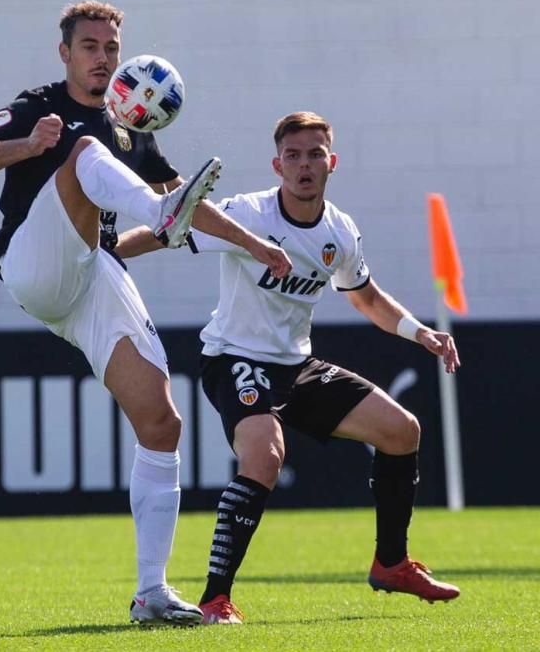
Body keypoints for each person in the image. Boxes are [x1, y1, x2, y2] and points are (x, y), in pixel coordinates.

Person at [0, 0, 290, 625]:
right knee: (82, 155)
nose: (102, 57)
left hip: (93, 273)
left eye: (110, 47)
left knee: (162, 422)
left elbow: (186, 198)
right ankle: (156, 217)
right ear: (65, 54)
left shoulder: (133, 128)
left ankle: (150, 594)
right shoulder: (40, 105)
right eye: (89, 47)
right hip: (33, 262)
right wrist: (27, 145)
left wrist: (255, 243)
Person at [116, 111, 462, 625]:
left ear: (332, 162)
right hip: (234, 357)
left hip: (296, 366)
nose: (304, 165)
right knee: (265, 455)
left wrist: (420, 331)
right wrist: (108, 255)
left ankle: (390, 563)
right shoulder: (248, 215)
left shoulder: (340, 231)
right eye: (294, 156)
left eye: (315, 154)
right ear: (277, 164)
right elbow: (172, 227)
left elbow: (365, 297)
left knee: (401, 430)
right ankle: (215, 598)